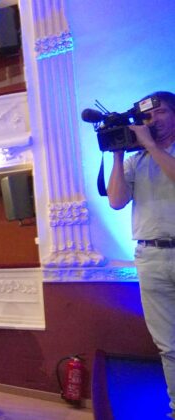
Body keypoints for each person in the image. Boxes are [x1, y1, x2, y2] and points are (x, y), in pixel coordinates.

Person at [107, 91, 175, 414]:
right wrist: (119, 155)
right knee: (169, 346)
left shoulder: (159, 153)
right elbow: (117, 201)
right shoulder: (137, 161)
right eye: (148, 116)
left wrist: (150, 144)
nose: (152, 120)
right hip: (149, 257)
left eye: (160, 112)